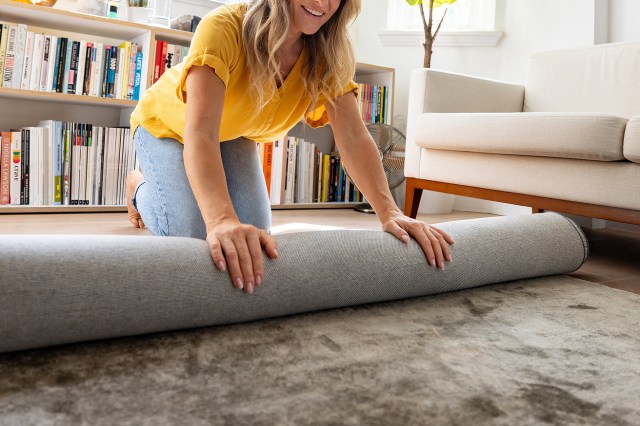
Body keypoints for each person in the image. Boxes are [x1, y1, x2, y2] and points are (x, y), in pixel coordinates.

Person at [127, 0, 454, 295]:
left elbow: (353, 137)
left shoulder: (330, 52)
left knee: (255, 235)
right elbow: (199, 134)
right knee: (193, 233)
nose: (322, 3)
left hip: (235, 134)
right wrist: (221, 219)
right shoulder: (223, 27)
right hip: (169, 127)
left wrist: (390, 212)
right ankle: (138, 189)